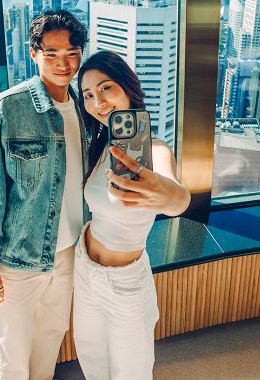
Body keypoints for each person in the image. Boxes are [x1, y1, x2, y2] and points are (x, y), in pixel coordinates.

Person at [0, 10, 90, 380]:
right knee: (11, 351)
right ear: (34, 53)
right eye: (51, 53)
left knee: (51, 335)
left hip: (68, 252)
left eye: (72, 52)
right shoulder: (6, 109)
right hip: (17, 259)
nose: (63, 63)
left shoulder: (85, 108)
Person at [74, 50, 191, 379]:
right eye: (88, 95)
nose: (98, 102)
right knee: (91, 357)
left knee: (131, 371)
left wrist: (165, 193)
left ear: (127, 87)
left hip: (124, 281)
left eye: (106, 88)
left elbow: (178, 198)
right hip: (84, 265)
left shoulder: (155, 150)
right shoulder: (101, 146)